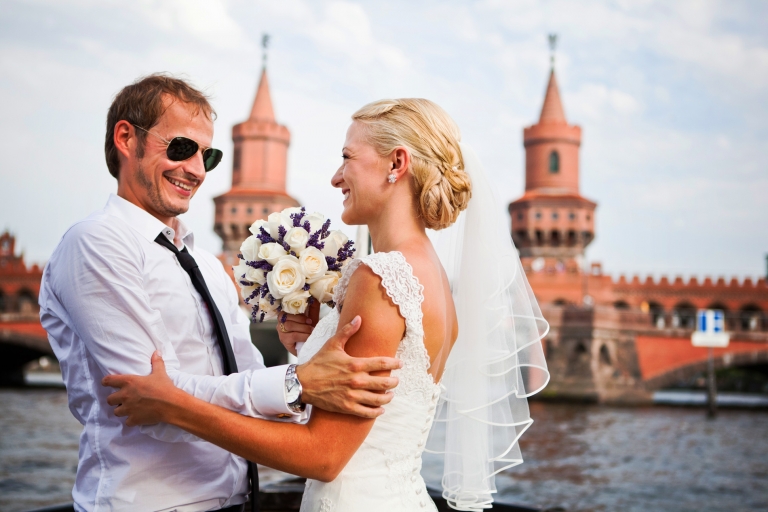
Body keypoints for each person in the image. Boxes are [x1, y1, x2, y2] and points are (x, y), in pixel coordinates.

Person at [105, 98, 550, 511]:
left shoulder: (380, 278)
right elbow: (379, 410)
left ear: (397, 164)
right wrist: (313, 344)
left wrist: (173, 406)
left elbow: (323, 457)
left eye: (347, 158)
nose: (336, 178)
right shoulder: (430, 277)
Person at [39, 74, 402, 512]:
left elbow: (244, 385)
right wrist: (298, 382)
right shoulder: (96, 244)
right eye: (180, 148)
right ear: (126, 139)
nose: (196, 170)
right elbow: (153, 404)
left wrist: (308, 357)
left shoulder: (209, 266)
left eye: (207, 155)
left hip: (237, 502)